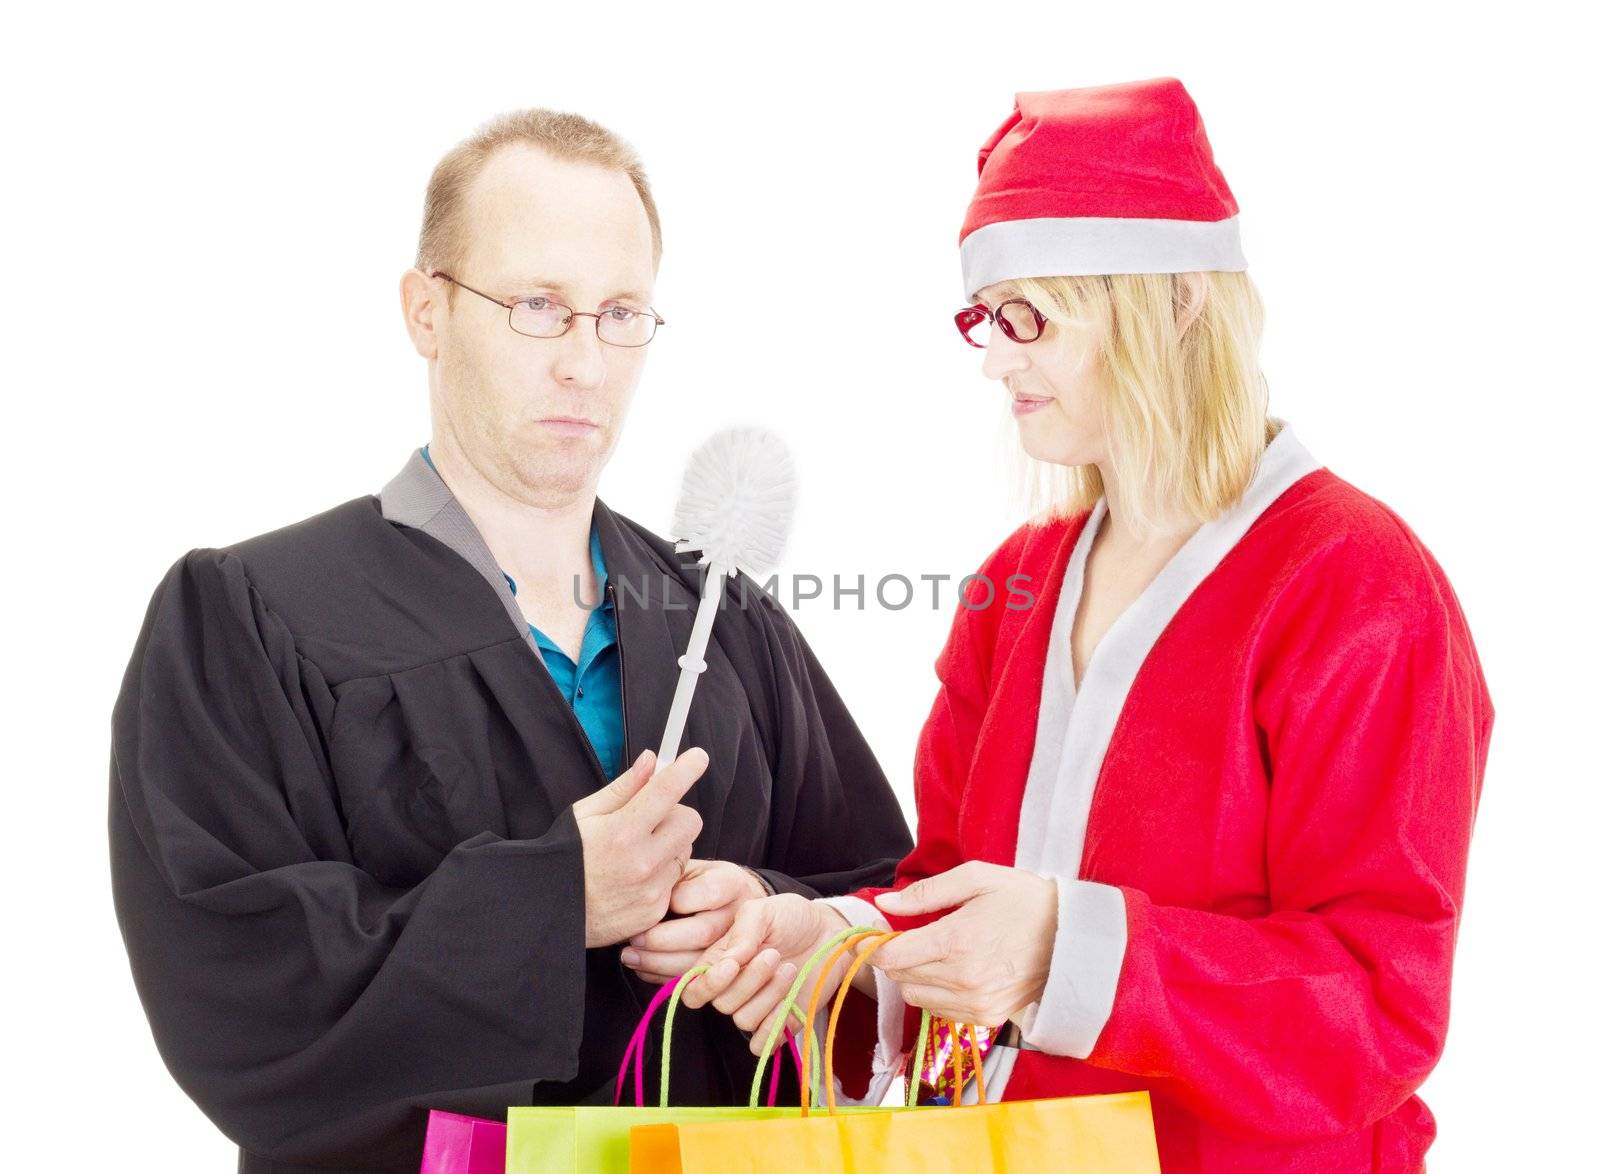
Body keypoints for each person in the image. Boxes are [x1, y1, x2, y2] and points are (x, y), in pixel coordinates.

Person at [681, 78, 1494, 1172]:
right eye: (982, 317)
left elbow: (1377, 1006)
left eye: (1030, 319)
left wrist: (1068, 953)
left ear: (1174, 303)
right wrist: (830, 942)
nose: (993, 360)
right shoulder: (1013, 587)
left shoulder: (1355, 586)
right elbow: (949, 894)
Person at [108, 108, 911, 1173]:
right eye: (538, 306)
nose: (585, 361)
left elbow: (880, 896)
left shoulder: (725, 616)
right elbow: (230, 985)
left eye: (619, 313)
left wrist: (767, 916)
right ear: (426, 310)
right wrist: (553, 900)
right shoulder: (252, 613)